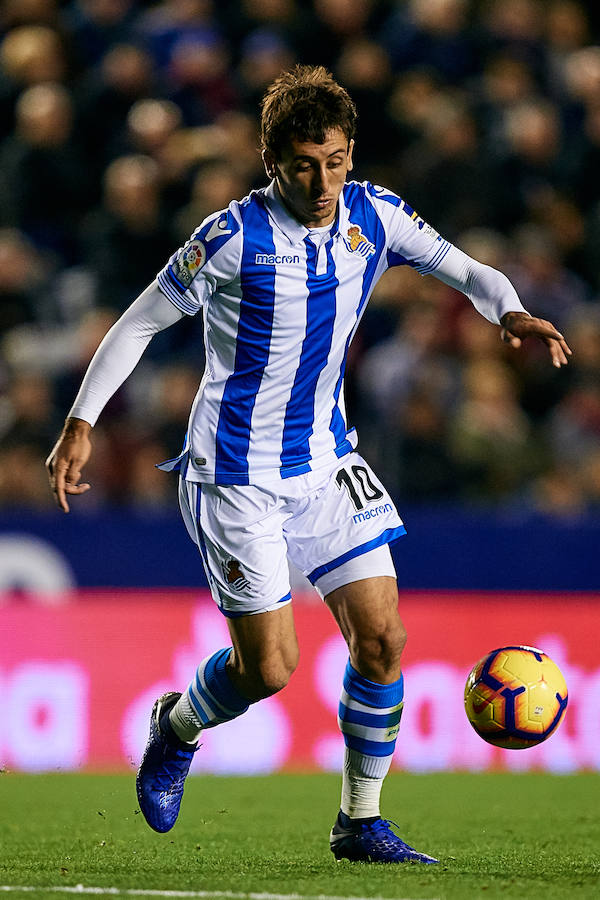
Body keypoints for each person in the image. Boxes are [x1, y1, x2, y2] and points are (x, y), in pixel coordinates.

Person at [46, 65, 571, 864]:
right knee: (271, 669)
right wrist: (82, 421)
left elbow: (467, 269)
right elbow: (138, 324)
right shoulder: (229, 237)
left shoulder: (375, 216)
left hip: (326, 462)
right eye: (301, 164)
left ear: (350, 154)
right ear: (271, 163)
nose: (320, 180)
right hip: (234, 475)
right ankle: (174, 727)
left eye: (332, 160)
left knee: (384, 639)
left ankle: (360, 822)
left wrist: (510, 310)